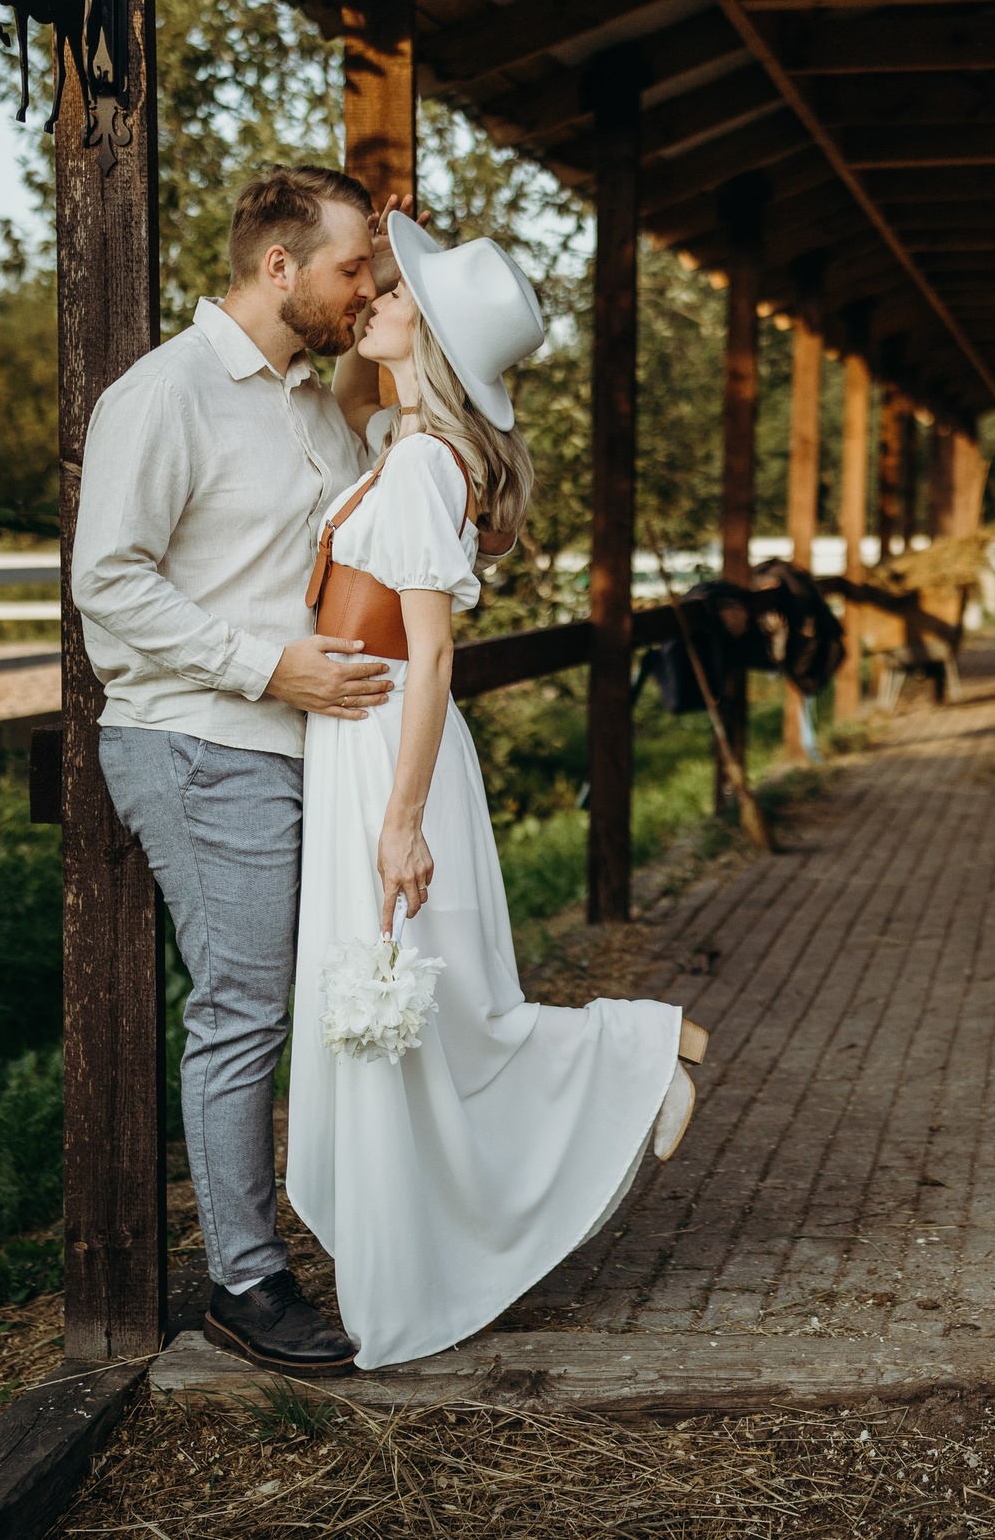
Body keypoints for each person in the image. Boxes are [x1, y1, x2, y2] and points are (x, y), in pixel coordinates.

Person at [284, 210, 704, 1371]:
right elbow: (358, 402)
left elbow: (432, 657)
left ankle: (640, 1057)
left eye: (394, 292)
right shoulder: (407, 447)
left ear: (434, 338)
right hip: (366, 743)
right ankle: (405, 1271)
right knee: (418, 1020)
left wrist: (401, 819)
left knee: (432, 1016)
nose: (371, 295)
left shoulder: (421, 465)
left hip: (389, 752)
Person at [72, 165, 393, 1377]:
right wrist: (270, 669)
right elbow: (108, 581)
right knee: (243, 1017)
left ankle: (336, 1231)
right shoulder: (165, 394)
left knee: (320, 1008)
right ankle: (243, 1284)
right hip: (203, 745)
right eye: (351, 267)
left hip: (302, 745)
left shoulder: (314, 408)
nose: (364, 290)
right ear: (278, 267)